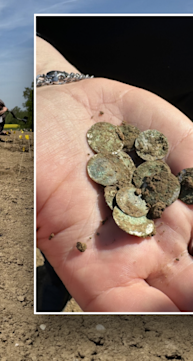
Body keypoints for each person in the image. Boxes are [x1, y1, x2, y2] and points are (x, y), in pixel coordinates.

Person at [36, 34, 193, 312]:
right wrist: (49, 80)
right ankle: (55, 283)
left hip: (182, 116)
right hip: (88, 95)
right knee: (67, 248)